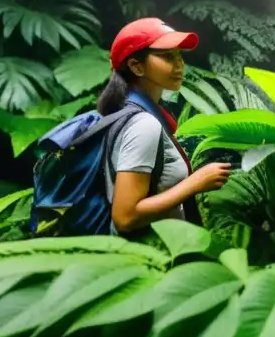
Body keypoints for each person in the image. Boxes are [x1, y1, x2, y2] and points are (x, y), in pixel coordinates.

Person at [98, 18, 231, 235]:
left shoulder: (128, 113)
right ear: (136, 66)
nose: (179, 64)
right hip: (150, 258)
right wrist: (196, 182)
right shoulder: (143, 124)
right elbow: (124, 217)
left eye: (179, 56)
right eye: (168, 56)